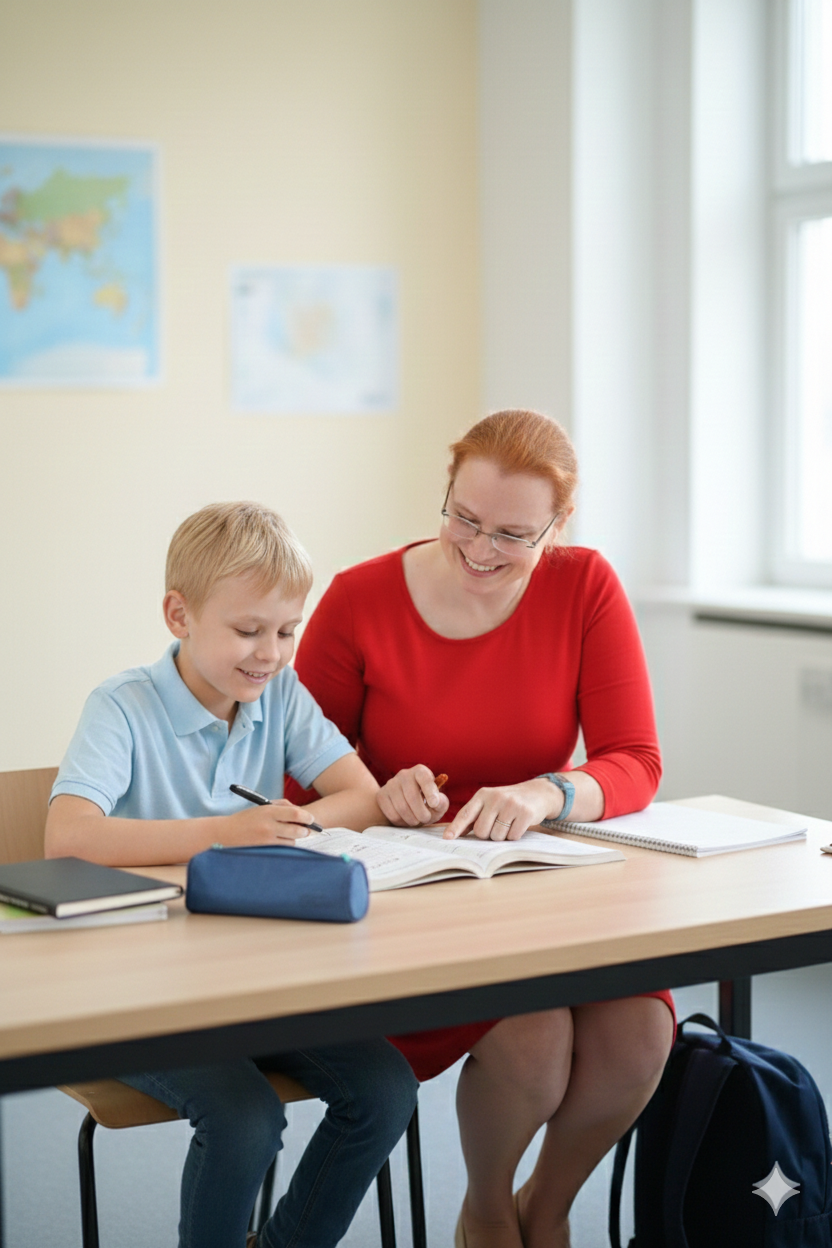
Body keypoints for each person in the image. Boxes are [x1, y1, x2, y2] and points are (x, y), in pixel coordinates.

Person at [288, 411, 676, 1248]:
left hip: (539, 885)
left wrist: (548, 792)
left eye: (512, 534)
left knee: (642, 1033)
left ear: (557, 526)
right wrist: (374, 792)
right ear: (447, 492)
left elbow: (635, 761)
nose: (480, 549)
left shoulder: (584, 586)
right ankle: (489, 1209)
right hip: (408, 895)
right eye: (464, 518)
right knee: (534, 1036)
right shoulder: (359, 599)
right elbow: (293, 774)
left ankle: (550, 1205)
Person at [45, 501, 418, 1248]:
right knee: (246, 1118)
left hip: (252, 983)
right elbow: (67, 839)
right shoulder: (122, 707)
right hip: (134, 991)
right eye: (249, 630)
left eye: (287, 631)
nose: (270, 653)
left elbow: (363, 796)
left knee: (386, 1089)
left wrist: (292, 824)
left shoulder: (278, 694)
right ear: (178, 615)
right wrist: (225, 835)